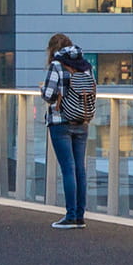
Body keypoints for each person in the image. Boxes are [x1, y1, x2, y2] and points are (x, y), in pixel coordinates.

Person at [41, 32, 95, 229]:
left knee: (68, 169)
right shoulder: (86, 66)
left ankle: (70, 216)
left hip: (60, 122)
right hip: (82, 120)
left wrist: (43, 90)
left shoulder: (56, 65)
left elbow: (48, 95)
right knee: (80, 168)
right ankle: (80, 216)